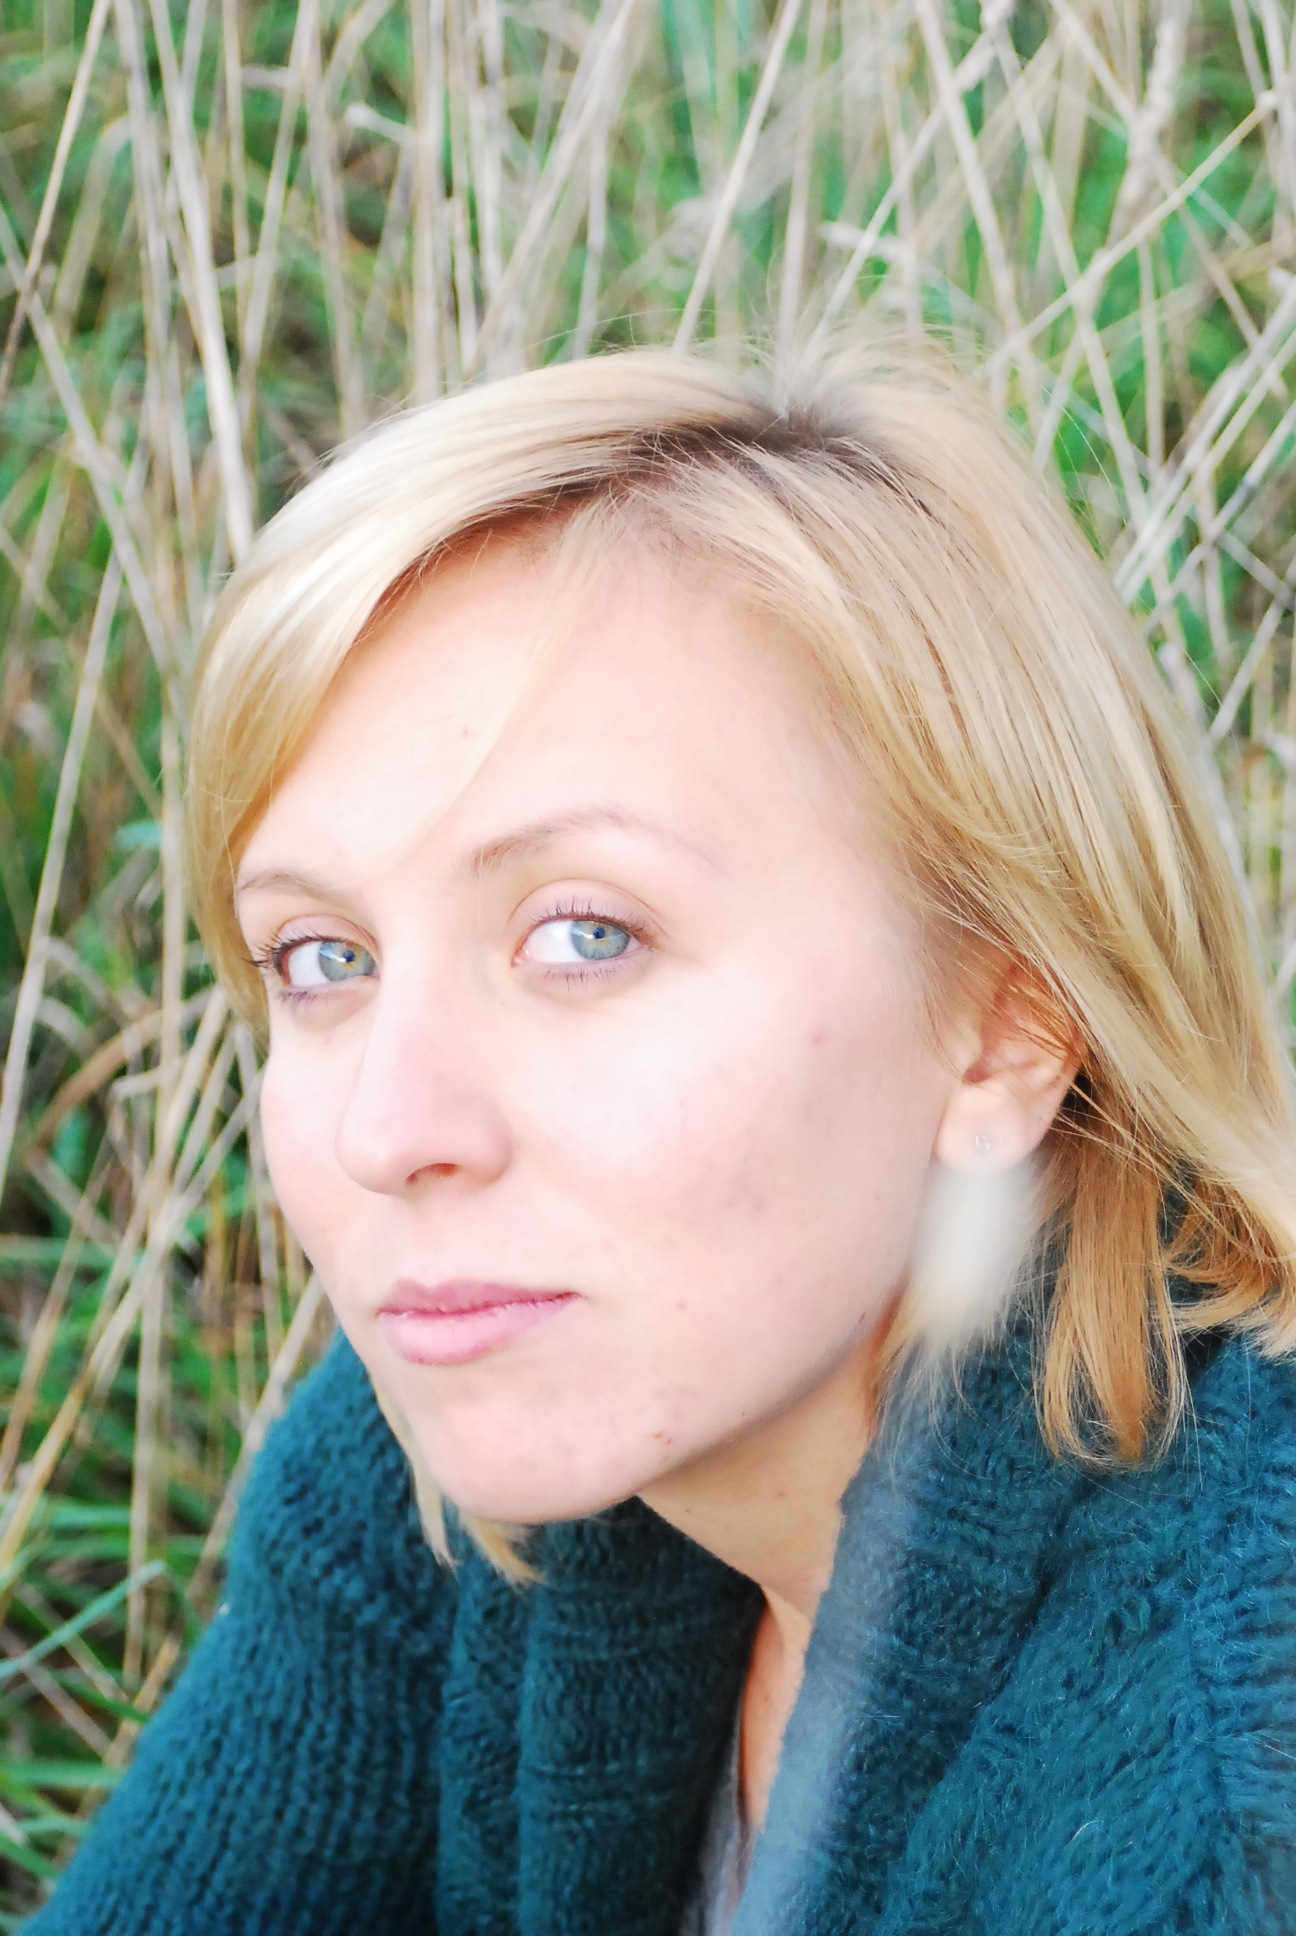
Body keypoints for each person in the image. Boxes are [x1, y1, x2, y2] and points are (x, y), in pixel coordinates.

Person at [29, 346, 1296, 1935]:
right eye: (324, 957)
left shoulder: (1235, 1781)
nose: (387, 1130)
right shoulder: (473, 1437)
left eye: (585, 936)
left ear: (1002, 1030)